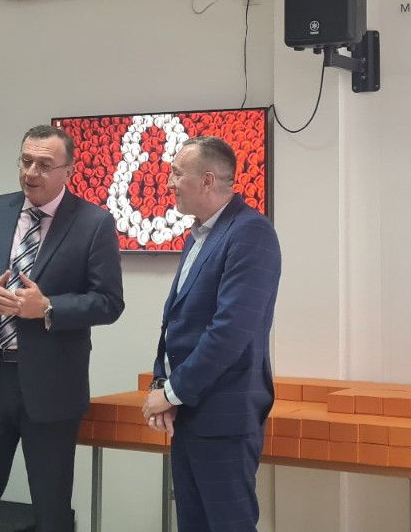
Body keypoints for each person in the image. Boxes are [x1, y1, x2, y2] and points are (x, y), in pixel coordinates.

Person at [0, 124, 124, 532]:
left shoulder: (94, 223)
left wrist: (48, 307)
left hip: (52, 386)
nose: (31, 173)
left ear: (68, 171)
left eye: (44, 165)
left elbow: (109, 302)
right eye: (26, 161)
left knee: (50, 508)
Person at [141, 136, 280, 532]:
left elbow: (229, 332)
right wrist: (163, 384)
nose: (169, 182)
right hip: (190, 413)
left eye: (176, 173)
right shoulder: (199, 236)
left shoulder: (251, 233)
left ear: (206, 180)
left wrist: (171, 393)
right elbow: (178, 324)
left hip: (223, 417)